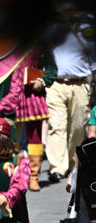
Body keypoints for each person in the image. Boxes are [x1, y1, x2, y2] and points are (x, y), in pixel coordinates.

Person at [0, 49, 57, 191]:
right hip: (12, 99)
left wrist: (43, 81)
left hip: (33, 98)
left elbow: (52, 68)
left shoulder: (41, 43)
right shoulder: (8, 45)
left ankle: (33, 177)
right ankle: (16, 175)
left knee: (35, 140)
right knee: (14, 141)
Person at [44, 4, 96, 182]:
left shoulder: (89, 30)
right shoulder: (52, 28)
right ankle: (57, 167)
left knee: (77, 127)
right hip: (55, 84)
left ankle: (75, 163)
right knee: (56, 125)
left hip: (80, 84)